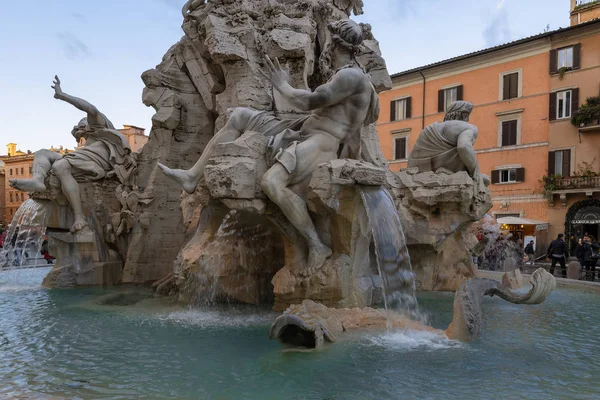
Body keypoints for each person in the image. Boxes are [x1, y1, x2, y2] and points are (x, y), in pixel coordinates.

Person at [158, 19, 379, 274]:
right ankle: (192, 175)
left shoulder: (351, 76)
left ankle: (317, 245)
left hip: (322, 142)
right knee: (239, 116)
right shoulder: (352, 76)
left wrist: (283, 85)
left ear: (334, 42)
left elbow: (312, 100)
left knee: (271, 183)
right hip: (301, 128)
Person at [9, 77, 134, 233]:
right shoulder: (86, 142)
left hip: (99, 161)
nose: (78, 129)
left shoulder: (98, 125)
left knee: (60, 165)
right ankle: (38, 180)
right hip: (82, 159)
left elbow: (90, 108)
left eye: (81, 125)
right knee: (42, 152)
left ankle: (79, 217)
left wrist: (62, 95)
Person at [407, 101, 490, 194]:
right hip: (450, 175)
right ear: (464, 115)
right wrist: (475, 172)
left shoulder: (429, 128)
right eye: (467, 115)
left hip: (419, 175)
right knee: (486, 180)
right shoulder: (468, 127)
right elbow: (464, 147)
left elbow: (414, 156)